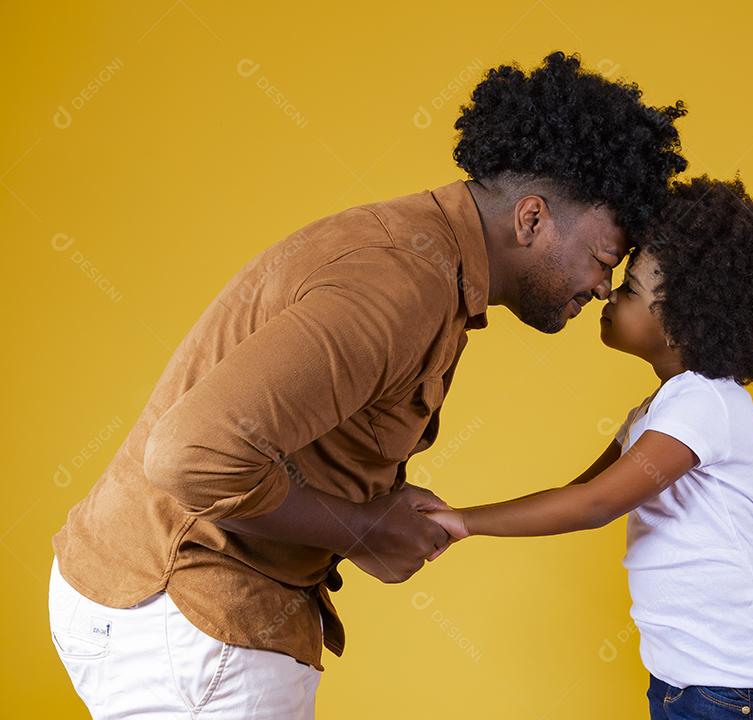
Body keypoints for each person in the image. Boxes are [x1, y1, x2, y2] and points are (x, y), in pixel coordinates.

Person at [47, 50, 687, 718]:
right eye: (603, 260)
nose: (601, 288)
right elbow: (192, 455)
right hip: (189, 623)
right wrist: (359, 528)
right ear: (531, 219)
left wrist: (371, 506)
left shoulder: (424, 255)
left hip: (167, 612)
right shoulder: (401, 282)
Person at [425, 175, 753, 720]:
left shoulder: (702, 404)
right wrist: (455, 517)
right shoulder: (660, 408)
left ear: (685, 324)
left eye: (630, 288)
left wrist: (466, 523)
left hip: (732, 683)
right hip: (694, 673)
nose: (607, 291)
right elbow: (581, 492)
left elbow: (595, 506)